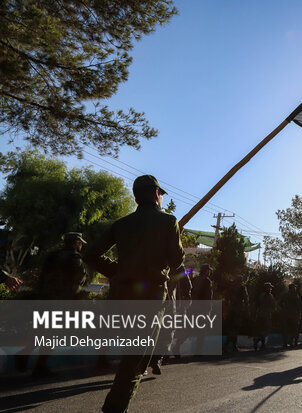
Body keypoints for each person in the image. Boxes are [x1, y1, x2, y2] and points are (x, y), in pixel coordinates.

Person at [85, 174, 184, 413]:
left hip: (121, 297)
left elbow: (91, 254)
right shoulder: (168, 221)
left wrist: (118, 271)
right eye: (160, 194)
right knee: (136, 360)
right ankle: (114, 408)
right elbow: (177, 260)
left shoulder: (121, 224)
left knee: (132, 355)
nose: (161, 198)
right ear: (154, 194)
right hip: (150, 299)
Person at [16, 232, 88, 377]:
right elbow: (77, 283)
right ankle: (35, 363)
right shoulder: (75, 259)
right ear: (75, 243)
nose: (80, 246)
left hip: (44, 300)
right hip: (60, 302)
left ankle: (27, 357)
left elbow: (41, 279)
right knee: (52, 335)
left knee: (43, 332)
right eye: (80, 243)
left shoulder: (52, 256)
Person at [253, 282, 276, 351]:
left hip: (260, 314)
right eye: (270, 288)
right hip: (267, 315)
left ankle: (262, 345)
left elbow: (256, 305)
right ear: (267, 288)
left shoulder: (260, 295)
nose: (271, 289)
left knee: (261, 329)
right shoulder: (270, 296)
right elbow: (273, 305)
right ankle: (258, 339)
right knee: (267, 329)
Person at [280, 283, 301, 348]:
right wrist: (299, 313)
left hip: (285, 314)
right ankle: (291, 342)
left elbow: (280, 303)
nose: (295, 288)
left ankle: (285, 343)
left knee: (285, 329)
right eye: (294, 287)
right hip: (293, 315)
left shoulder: (285, 295)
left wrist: (284, 308)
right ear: (292, 288)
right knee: (293, 328)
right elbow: (298, 305)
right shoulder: (295, 295)